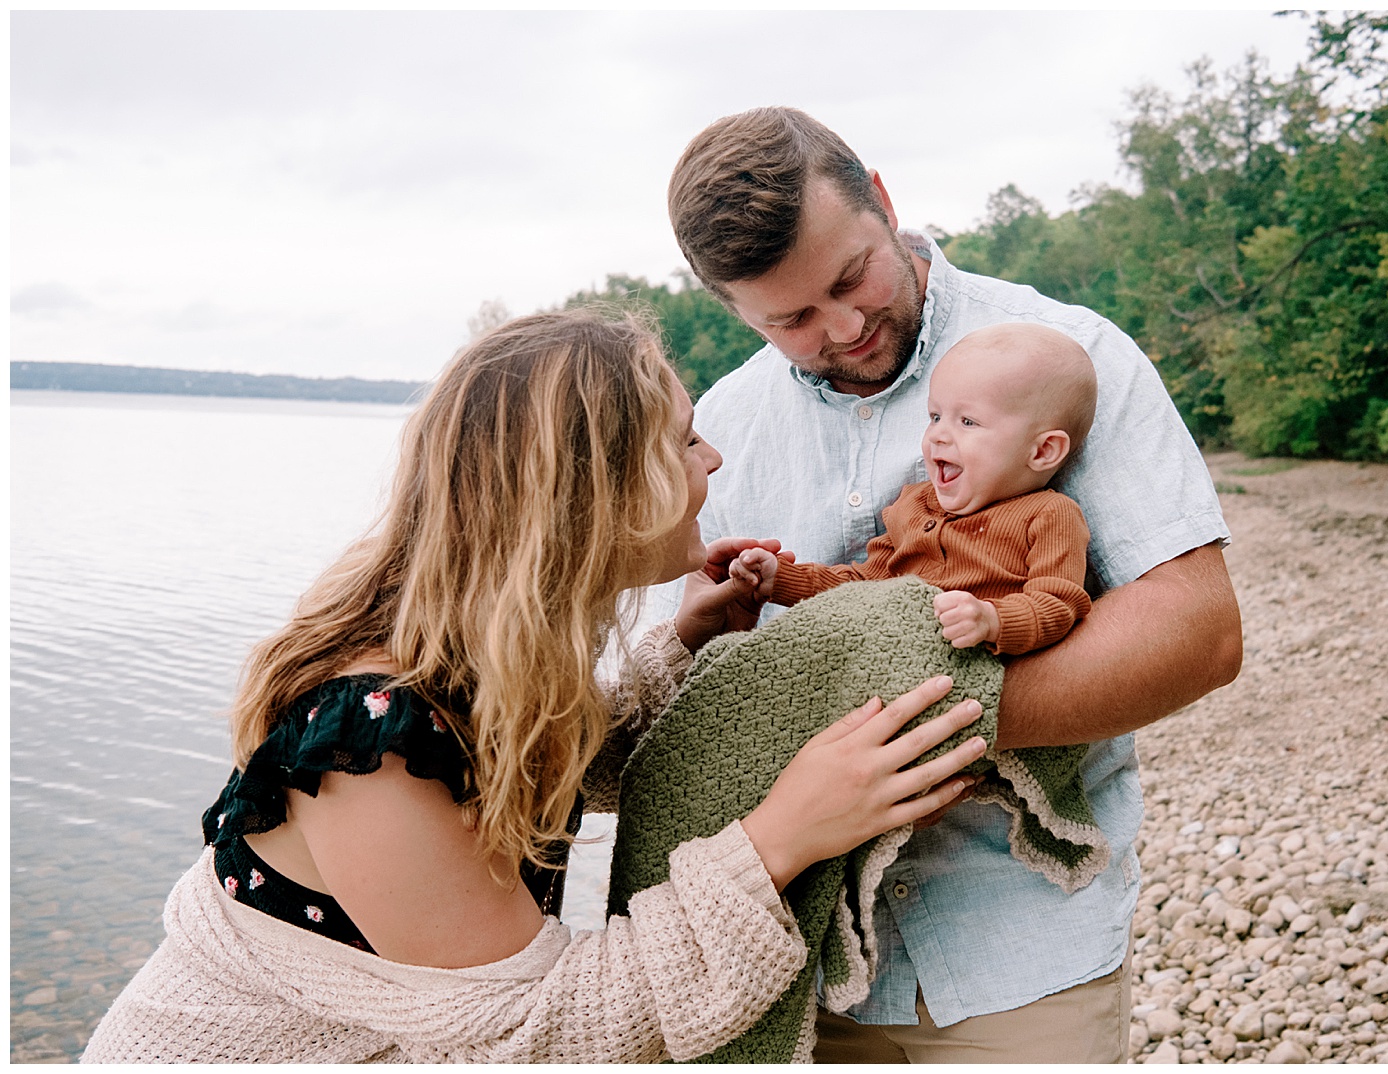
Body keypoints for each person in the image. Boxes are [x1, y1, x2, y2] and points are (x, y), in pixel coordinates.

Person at [80, 307, 990, 1064]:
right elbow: (538, 1032)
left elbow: (548, 767)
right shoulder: (369, 739)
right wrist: (781, 837)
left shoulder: (457, 653)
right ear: (592, 488)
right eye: (684, 440)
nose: (712, 461)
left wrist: (682, 642)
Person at [659, 107, 1243, 1063]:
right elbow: (705, 697)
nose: (843, 327)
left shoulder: (1065, 356)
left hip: (1019, 955)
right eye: (792, 319)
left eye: (853, 278)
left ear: (883, 202)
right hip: (787, 968)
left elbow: (1200, 633)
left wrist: (901, 740)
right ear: (733, 310)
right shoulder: (719, 428)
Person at [730, 321, 1097, 656]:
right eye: (935, 416)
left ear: (1043, 451)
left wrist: (991, 620)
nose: (937, 433)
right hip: (886, 659)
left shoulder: (1049, 515)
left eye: (968, 421)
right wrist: (781, 578)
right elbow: (862, 585)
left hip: (966, 667)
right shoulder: (914, 505)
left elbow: (1057, 603)